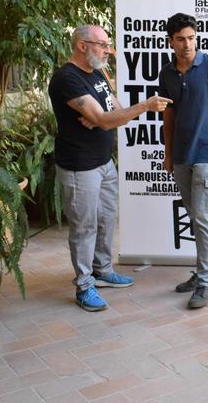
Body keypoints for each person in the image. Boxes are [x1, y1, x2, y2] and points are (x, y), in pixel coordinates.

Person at [49, 24, 172, 312]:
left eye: (108, 45)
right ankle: (84, 285)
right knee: (84, 227)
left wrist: (104, 118)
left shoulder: (98, 74)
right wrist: (140, 107)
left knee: (106, 220)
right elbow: (109, 117)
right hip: (80, 167)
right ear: (82, 46)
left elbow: (114, 112)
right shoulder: (67, 78)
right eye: (102, 45)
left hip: (104, 162)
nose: (108, 50)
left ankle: (102, 272)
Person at [160, 13, 208, 309]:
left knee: (204, 218)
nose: (187, 44)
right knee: (196, 217)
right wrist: (168, 153)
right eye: (181, 39)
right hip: (181, 155)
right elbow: (168, 114)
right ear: (170, 41)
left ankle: (206, 281)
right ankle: (203, 272)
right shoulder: (166, 73)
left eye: (191, 38)